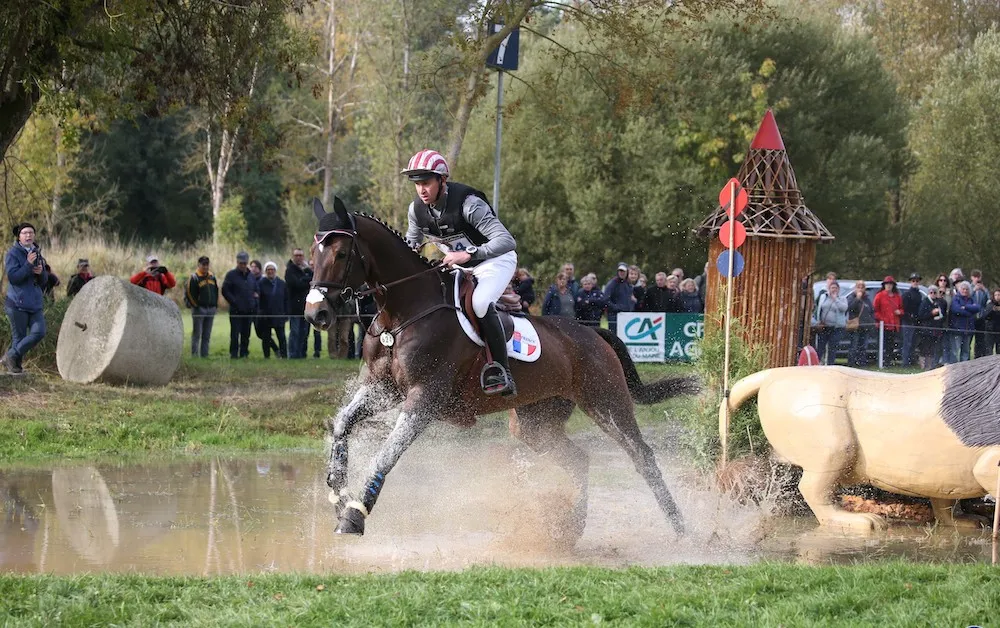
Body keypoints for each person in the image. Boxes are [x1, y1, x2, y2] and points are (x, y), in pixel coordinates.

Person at [401, 148, 518, 396]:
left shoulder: (469, 205)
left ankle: (501, 370)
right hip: (459, 265)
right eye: (417, 184)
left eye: (426, 182)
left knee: (480, 302)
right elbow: (411, 246)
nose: (421, 190)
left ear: (442, 180)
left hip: (495, 260)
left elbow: (507, 241)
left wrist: (469, 254)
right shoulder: (416, 211)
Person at [3, 222, 48, 373]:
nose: (28, 235)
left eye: (31, 232)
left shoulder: (37, 252)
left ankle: (10, 356)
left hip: (35, 303)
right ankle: (15, 368)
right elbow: (13, 278)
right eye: (25, 233)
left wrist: (41, 273)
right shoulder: (12, 254)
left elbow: (44, 281)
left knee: (39, 332)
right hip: (17, 303)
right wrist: (28, 265)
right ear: (19, 237)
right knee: (19, 338)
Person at [221, 251, 257, 359]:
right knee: (235, 334)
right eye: (241, 263)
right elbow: (225, 290)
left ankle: (244, 353)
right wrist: (235, 302)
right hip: (236, 310)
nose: (243, 265)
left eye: (244, 263)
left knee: (246, 334)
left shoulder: (251, 276)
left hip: (248, 310)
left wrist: (254, 301)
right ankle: (234, 354)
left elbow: (256, 289)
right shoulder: (231, 275)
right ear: (237, 262)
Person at [185, 255, 219, 358]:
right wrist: (196, 305)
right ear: (199, 265)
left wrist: (215, 305)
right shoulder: (194, 277)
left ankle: (205, 355)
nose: (205, 267)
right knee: (197, 334)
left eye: (207, 264)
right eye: (203, 265)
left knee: (207, 334)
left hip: (211, 309)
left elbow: (216, 291)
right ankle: (195, 355)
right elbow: (189, 293)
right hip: (199, 309)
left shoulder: (212, 277)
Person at [257, 261, 288, 359]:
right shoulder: (261, 283)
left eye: (272, 269)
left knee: (281, 337)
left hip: (279, 314)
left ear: (275, 270)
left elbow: (286, 300)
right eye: (268, 270)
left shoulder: (282, 283)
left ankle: (284, 356)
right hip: (265, 315)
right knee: (266, 337)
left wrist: (286, 313)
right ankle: (266, 356)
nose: (270, 271)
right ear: (265, 271)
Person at [812, 280, 847, 365]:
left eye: (835, 288)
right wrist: (817, 321)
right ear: (829, 288)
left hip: (836, 328)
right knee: (820, 347)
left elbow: (844, 308)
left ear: (838, 289)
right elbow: (818, 308)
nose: (834, 290)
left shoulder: (842, 298)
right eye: (832, 288)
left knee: (832, 347)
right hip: (824, 327)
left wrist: (835, 299)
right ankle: (817, 364)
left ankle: (830, 364)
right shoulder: (823, 297)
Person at [285, 248, 312, 359]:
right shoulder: (289, 270)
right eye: (296, 255)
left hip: (305, 307)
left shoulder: (306, 270)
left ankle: (301, 354)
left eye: (300, 255)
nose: (298, 257)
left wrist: (305, 276)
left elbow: (313, 279)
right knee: (295, 332)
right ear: (293, 257)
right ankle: (292, 354)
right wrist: (306, 280)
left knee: (304, 333)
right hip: (294, 307)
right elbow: (295, 284)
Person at [872, 275, 903, 366]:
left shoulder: (897, 297)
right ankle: (880, 362)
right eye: (887, 284)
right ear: (884, 285)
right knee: (882, 345)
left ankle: (888, 362)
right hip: (883, 326)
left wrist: (900, 312)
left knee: (891, 346)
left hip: (894, 326)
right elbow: (875, 311)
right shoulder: (879, 296)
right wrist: (882, 319)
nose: (889, 286)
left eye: (890, 284)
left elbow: (902, 309)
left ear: (893, 285)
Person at [948, 280, 980, 362]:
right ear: (960, 289)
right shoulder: (956, 298)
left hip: (968, 329)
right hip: (957, 329)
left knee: (966, 351)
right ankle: (953, 367)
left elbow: (977, 308)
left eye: (967, 289)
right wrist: (970, 312)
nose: (965, 291)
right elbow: (956, 310)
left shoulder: (971, 299)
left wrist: (965, 307)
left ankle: (964, 368)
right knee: (955, 351)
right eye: (963, 289)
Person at [917, 285, 948, 370]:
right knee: (925, 348)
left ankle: (931, 365)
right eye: (931, 292)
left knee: (933, 348)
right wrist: (931, 313)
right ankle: (924, 365)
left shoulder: (939, 302)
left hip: (936, 329)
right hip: (926, 329)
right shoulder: (925, 302)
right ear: (929, 293)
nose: (933, 294)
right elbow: (921, 315)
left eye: (935, 292)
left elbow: (943, 315)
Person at [845, 280, 875, 368]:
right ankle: (851, 364)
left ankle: (861, 363)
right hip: (855, 326)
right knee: (853, 346)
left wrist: (871, 322)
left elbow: (871, 310)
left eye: (862, 287)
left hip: (865, 326)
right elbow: (850, 308)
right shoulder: (851, 297)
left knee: (863, 347)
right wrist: (857, 299)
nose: (860, 289)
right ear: (855, 288)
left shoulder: (867, 299)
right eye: (858, 287)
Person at [900, 273, 924, 367]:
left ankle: (910, 360)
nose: (915, 282)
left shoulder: (919, 294)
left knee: (913, 343)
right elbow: (903, 309)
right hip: (907, 321)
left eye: (917, 281)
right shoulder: (907, 294)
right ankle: (905, 362)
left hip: (916, 322)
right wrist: (909, 317)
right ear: (910, 282)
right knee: (907, 342)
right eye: (913, 281)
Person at [604, 262, 633, 333]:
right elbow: (605, 299)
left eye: (623, 271)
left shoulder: (628, 283)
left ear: (627, 272)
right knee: (614, 336)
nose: (621, 273)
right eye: (620, 271)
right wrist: (616, 308)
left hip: (625, 315)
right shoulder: (612, 283)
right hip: (614, 316)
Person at [970, 270, 991, 358]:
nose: (977, 279)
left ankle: (978, 357)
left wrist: (984, 290)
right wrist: (973, 290)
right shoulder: (969, 287)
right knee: (969, 339)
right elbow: (967, 298)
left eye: (978, 277)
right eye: (975, 277)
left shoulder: (983, 289)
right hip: (971, 317)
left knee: (980, 339)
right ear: (971, 277)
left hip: (981, 317)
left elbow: (989, 300)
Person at [982, 289, 1000, 357]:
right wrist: (993, 310)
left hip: (999, 331)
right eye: (996, 295)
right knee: (989, 350)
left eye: (999, 295)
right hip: (990, 330)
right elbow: (985, 316)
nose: (997, 297)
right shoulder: (990, 305)